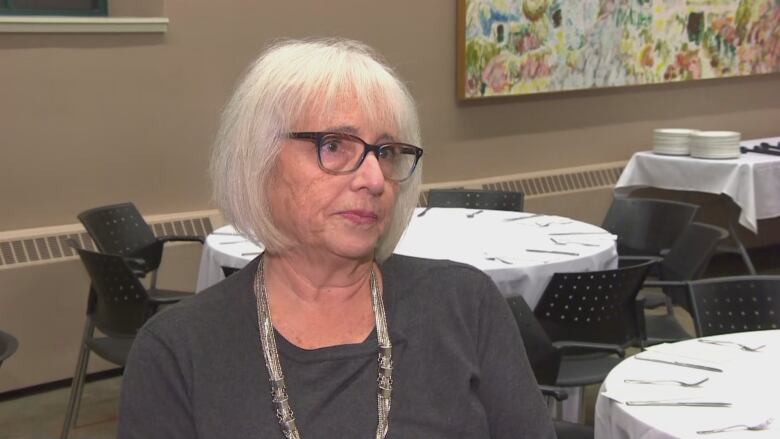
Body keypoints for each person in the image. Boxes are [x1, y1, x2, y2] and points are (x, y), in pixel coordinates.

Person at [118, 38, 555, 439]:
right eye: (334, 145)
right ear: (259, 161)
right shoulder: (178, 351)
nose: (374, 178)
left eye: (385, 152)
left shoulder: (465, 304)